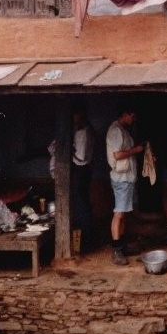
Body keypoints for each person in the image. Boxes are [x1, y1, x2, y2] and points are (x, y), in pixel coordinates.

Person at [106, 109, 144, 265]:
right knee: (119, 213)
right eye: (132, 115)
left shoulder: (123, 130)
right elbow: (117, 155)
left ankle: (121, 246)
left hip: (127, 178)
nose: (134, 118)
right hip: (121, 179)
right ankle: (116, 249)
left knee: (124, 213)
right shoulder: (116, 130)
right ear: (124, 114)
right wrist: (136, 150)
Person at [71, 106, 95, 253]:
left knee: (81, 206)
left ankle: (85, 241)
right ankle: (88, 238)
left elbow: (80, 156)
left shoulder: (82, 133)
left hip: (80, 169)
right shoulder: (90, 130)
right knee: (84, 203)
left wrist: (67, 152)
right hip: (87, 170)